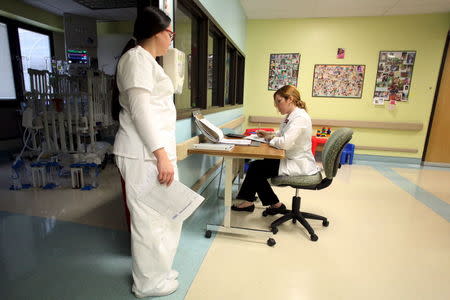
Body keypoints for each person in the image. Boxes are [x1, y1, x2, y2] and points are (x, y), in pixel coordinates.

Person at [112, 7, 180, 298]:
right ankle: (147, 284)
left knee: (167, 216)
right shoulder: (136, 59)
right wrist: (161, 155)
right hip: (143, 155)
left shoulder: (149, 62)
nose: (172, 38)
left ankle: (160, 270)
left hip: (153, 154)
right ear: (156, 32)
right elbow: (141, 112)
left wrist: (164, 154)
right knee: (149, 221)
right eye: (170, 33)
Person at [231, 85, 319, 213]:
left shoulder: (300, 118)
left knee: (256, 169)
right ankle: (272, 204)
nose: (277, 106)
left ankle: (250, 202)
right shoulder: (292, 115)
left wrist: (269, 140)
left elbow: (284, 143)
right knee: (256, 167)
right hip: (290, 157)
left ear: (290, 99)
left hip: (298, 162)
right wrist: (269, 135)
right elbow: (283, 133)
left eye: (279, 101)